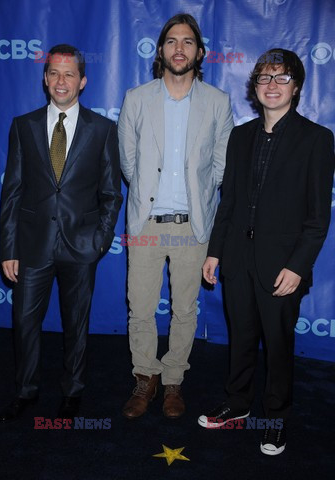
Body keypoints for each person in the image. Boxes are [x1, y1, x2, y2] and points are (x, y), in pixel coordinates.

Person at [198, 48, 334, 455]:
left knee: (278, 346)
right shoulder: (240, 137)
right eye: (264, 78)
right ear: (254, 87)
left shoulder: (317, 139)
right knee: (241, 338)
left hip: (282, 268)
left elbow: (317, 218)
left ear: (296, 88)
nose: (272, 86)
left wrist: (297, 266)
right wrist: (215, 253)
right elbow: (229, 203)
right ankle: (237, 405)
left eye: (282, 78)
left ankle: (275, 419)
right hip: (238, 261)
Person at [0, 44, 122, 422]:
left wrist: (98, 241)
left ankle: (72, 393)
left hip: (80, 246)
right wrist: (8, 248)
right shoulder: (24, 125)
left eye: (69, 74)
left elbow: (111, 193)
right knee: (24, 323)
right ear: (44, 79)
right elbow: (13, 192)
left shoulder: (103, 129)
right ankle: (26, 391)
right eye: (54, 73)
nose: (61, 81)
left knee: (76, 325)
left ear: (82, 81)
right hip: (32, 245)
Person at [118, 13, 233, 419]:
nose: (179, 48)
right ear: (161, 50)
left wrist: (198, 198)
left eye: (187, 41)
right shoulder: (137, 98)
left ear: (199, 52)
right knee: (141, 308)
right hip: (146, 223)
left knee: (186, 310)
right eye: (171, 41)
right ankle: (144, 377)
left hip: (194, 225)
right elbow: (128, 163)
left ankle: (173, 382)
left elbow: (220, 167)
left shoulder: (218, 102)